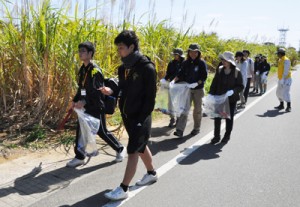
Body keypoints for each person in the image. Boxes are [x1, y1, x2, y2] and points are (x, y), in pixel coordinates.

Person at [101, 30, 157, 201]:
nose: (119, 51)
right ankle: (151, 173)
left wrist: (141, 121)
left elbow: (150, 98)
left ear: (132, 47)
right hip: (127, 114)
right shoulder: (123, 68)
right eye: (118, 48)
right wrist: (111, 90)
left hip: (141, 116)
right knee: (140, 146)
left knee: (133, 150)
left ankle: (124, 188)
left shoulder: (147, 68)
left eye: (121, 48)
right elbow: (123, 88)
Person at [67, 41, 125, 168]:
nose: (80, 53)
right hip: (85, 106)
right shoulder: (83, 70)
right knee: (81, 131)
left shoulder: (95, 71)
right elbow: (81, 88)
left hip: (96, 106)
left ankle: (120, 149)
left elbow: (98, 92)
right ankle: (80, 157)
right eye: (79, 51)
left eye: (83, 51)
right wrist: (75, 100)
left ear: (90, 53)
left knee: (101, 131)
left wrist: (84, 101)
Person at [172, 43, 207, 137]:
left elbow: (204, 76)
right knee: (184, 108)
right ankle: (180, 130)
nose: (193, 54)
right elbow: (180, 74)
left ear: (198, 53)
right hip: (187, 89)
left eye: (195, 52)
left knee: (197, 110)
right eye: (191, 52)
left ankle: (196, 128)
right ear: (188, 52)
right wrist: (174, 81)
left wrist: (197, 83)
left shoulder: (201, 63)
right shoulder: (185, 63)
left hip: (198, 90)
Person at [209, 51, 244, 144]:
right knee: (217, 117)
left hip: (231, 99)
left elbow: (241, 86)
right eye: (223, 60)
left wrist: (233, 91)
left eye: (226, 60)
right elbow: (214, 83)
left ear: (230, 62)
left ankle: (227, 135)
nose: (223, 62)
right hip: (219, 97)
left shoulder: (237, 72)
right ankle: (216, 136)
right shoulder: (220, 69)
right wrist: (211, 93)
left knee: (228, 118)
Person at [160, 48, 185, 127]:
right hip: (171, 85)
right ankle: (172, 118)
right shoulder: (171, 63)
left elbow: (183, 74)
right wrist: (164, 79)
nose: (174, 56)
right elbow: (168, 73)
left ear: (180, 55)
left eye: (176, 54)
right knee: (171, 103)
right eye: (174, 54)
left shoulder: (184, 63)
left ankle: (178, 119)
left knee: (178, 103)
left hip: (180, 85)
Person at [274, 48, 292, 112]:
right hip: (280, 79)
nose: (277, 55)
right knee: (278, 93)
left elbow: (286, 71)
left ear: (281, 53)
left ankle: (289, 106)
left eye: (278, 54)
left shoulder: (286, 60)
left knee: (285, 93)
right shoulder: (280, 60)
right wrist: (280, 79)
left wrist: (283, 79)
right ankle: (281, 105)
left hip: (286, 79)